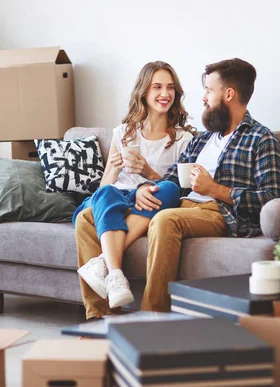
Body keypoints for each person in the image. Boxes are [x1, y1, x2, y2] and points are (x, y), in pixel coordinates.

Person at [131, 58, 280, 312]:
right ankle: (100, 314)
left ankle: (152, 316)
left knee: (165, 220)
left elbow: (271, 200)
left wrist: (215, 190)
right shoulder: (202, 140)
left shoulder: (261, 139)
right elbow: (171, 178)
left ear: (228, 94)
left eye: (208, 91)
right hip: (183, 206)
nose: (203, 98)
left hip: (219, 213)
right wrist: (143, 189)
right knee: (94, 216)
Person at [74, 61, 195, 318]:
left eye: (170, 88)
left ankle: (105, 263)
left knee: (169, 190)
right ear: (143, 92)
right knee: (100, 200)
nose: (165, 94)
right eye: (157, 87)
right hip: (118, 199)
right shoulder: (123, 133)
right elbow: (104, 189)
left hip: (152, 199)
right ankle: (104, 304)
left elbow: (182, 189)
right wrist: (113, 172)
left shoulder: (183, 138)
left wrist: (148, 175)